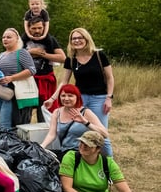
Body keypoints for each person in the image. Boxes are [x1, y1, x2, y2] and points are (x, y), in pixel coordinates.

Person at [44, 27, 114, 157]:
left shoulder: (99, 55)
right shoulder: (71, 59)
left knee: (101, 133)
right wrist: (52, 99)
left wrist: (109, 97)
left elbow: (110, 78)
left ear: (86, 39)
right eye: (74, 38)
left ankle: (109, 165)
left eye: (80, 37)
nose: (77, 40)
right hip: (79, 98)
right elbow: (64, 82)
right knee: (79, 131)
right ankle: (86, 159)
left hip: (99, 98)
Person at [41, 85, 108, 159]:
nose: (66, 99)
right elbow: (51, 134)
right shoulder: (57, 112)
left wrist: (85, 122)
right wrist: (41, 147)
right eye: (63, 96)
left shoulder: (86, 112)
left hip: (83, 153)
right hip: (65, 152)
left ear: (77, 97)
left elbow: (105, 134)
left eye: (70, 96)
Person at [0, 28, 36, 132]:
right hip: (0, 91)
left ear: (17, 39)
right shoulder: (2, 54)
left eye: (9, 37)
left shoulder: (21, 53)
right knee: (0, 123)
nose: (5, 39)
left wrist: (11, 78)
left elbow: (32, 70)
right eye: (3, 37)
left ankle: (11, 146)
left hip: (13, 92)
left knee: (5, 124)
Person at [22, 15, 66, 122]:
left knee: (44, 110)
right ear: (28, 28)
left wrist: (43, 54)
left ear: (44, 28)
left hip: (45, 80)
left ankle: (45, 135)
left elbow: (63, 58)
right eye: (34, 28)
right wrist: (30, 52)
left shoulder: (50, 39)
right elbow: (13, 56)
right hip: (27, 80)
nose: (37, 31)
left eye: (39, 28)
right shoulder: (22, 40)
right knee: (25, 112)